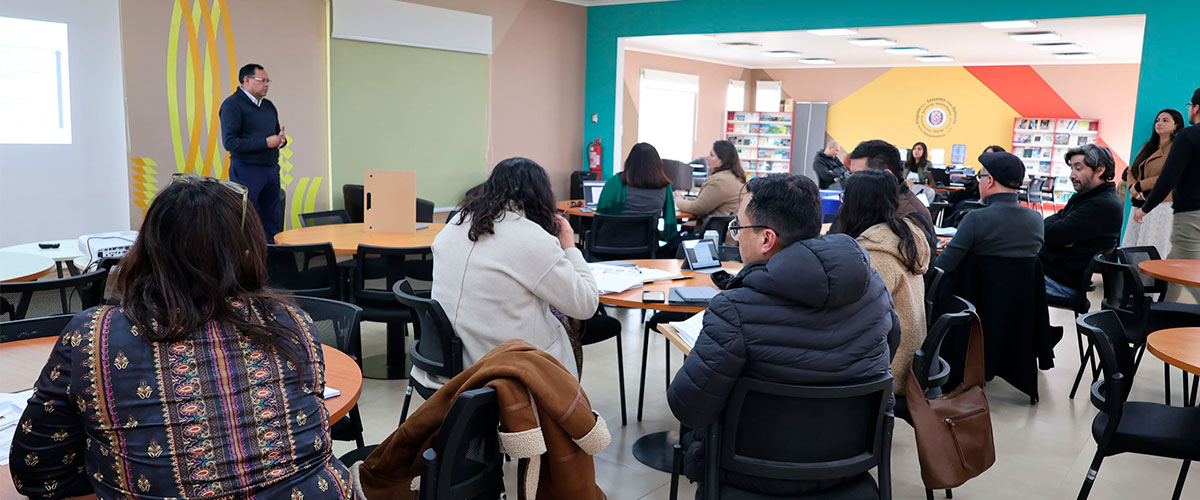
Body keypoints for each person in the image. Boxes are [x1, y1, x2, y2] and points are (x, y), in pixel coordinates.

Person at [9, 178, 358, 499]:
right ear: (248, 254)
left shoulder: (94, 336)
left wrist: (118, 467)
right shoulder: (289, 321)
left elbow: (37, 473)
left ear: (145, 251)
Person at [666, 174, 895, 497]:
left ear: (766, 240)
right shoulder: (872, 288)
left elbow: (688, 406)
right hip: (849, 469)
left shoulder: (734, 308)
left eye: (738, 227)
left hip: (750, 475)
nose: (735, 236)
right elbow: (890, 350)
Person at [412, 158, 599, 389]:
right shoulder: (531, 239)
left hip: (443, 365)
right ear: (541, 197)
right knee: (567, 323)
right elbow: (587, 304)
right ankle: (566, 414)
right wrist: (569, 246)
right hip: (502, 370)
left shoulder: (454, 226)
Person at [833, 169, 930, 395]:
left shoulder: (875, 256)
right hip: (909, 359)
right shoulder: (902, 239)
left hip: (888, 368)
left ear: (854, 204)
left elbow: (853, 319)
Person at [1135, 88, 1200, 302]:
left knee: (1184, 270)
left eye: (1190, 106)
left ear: (1196, 108)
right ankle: (1162, 315)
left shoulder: (1188, 136)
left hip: (1191, 214)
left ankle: (1163, 314)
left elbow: (1168, 178)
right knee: (1175, 266)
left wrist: (1146, 207)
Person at [937, 151, 1044, 274]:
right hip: (1023, 292)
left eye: (980, 177)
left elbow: (942, 267)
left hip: (973, 292)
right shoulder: (1036, 220)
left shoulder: (975, 219)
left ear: (990, 180)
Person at [1039, 145, 1123, 299]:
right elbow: (1049, 225)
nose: (1072, 175)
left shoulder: (1102, 204)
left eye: (1078, 168)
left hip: (1061, 281)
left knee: (999, 273)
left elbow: (1050, 234)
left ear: (1100, 170)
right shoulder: (1086, 196)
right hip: (1051, 271)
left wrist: (1054, 236)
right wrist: (1056, 234)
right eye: (1072, 168)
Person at [220, 63, 287, 242]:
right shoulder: (232, 105)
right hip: (246, 170)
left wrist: (281, 140)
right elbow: (230, 142)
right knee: (248, 219)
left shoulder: (268, 106)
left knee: (273, 218)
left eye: (268, 81)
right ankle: (250, 262)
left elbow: (274, 133)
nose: (266, 84)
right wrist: (266, 142)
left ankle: (274, 262)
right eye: (262, 80)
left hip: (271, 169)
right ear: (246, 80)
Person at [843, 139, 936, 264]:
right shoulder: (862, 201)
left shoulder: (911, 216)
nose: (852, 182)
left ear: (886, 176)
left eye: (858, 175)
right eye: (851, 174)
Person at [1123, 109, 1186, 257]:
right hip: (1139, 202)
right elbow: (1131, 171)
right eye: (1158, 120)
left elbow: (1168, 176)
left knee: (1153, 245)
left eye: (1165, 120)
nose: (1159, 123)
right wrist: (1133, 187)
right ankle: (1132, 279)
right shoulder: (1148, 146)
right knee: (1132, 246)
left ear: (1176, 125)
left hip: (1160, 203)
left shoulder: (1177, 148)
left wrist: (1140, 186)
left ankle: (1149, 281)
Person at [598, 142, 678, 240]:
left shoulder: (615, 181)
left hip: (609, 247)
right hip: (646, 249)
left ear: (630, 162)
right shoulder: (665, 187)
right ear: (657, 164)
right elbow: (670, 224)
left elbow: (601, 215)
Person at [674, 140, 746, 219]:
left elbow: (698, 208)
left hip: (712, 230)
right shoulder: (736, 177)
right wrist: (686, 199)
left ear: (721, 161)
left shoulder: (719, 181)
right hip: (726, 228)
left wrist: (679, 202)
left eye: (711, 155)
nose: (707, 158)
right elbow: (708, 200)